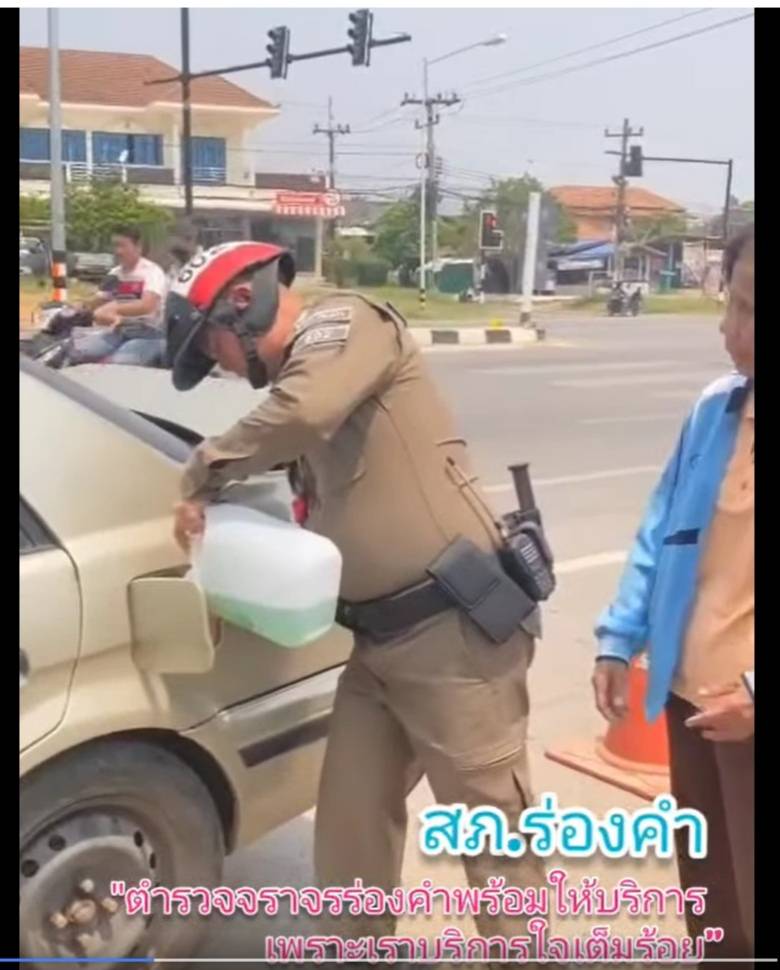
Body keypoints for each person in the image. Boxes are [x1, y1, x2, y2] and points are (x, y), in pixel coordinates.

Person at [167, 241, 548, 948]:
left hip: (453, 640)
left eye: (210, 347)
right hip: (377, 647)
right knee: (350, 829)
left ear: (241, 305)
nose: (221, 366)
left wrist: (203, 470)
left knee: (493, 837)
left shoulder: (345, 324)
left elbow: (304, 412)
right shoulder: (307, 382)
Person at [592, 225, 754, 959]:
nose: (730, 330)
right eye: (731, 303)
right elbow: (662, 533)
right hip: (694, 705)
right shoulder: (716, 410)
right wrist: (619, 639)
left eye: (752, 311)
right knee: (712, 908)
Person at [65, 225, 167, 366]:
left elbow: (148, 305)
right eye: (115, 246)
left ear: (138, 247)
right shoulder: (115, 274)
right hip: (118, 331)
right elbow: (99, 300)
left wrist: (115, 309)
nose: (117, 251)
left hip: (148, 334)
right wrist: (81, 305)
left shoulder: (152, 272)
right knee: (76, 351)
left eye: (122, 246)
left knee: (119, 364)